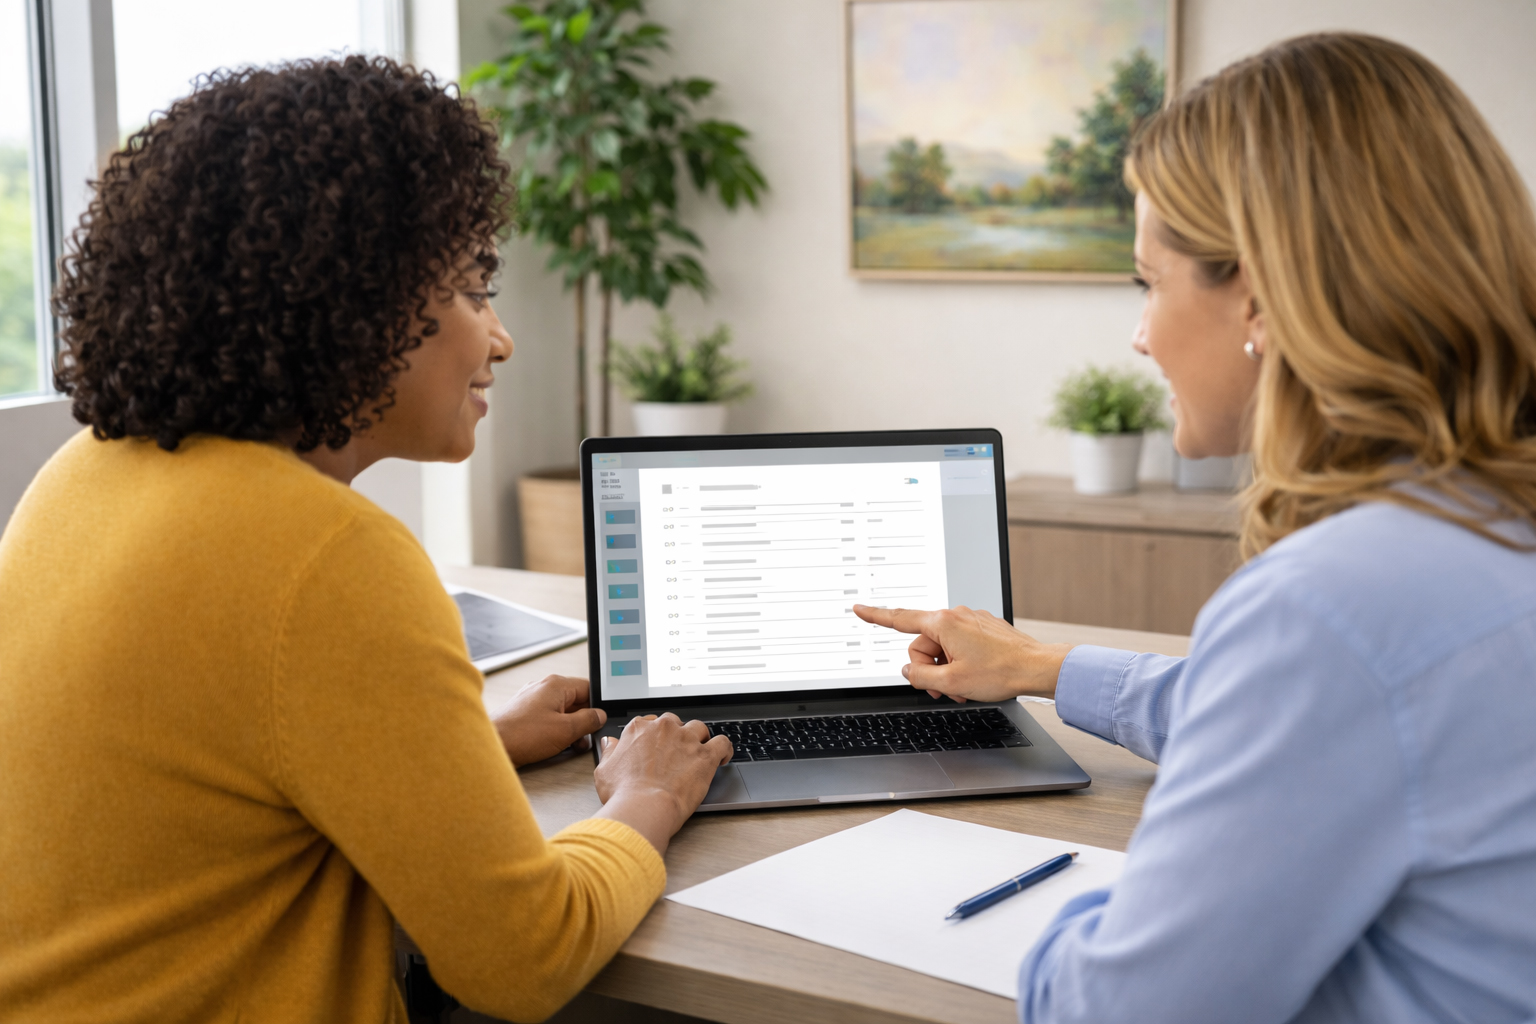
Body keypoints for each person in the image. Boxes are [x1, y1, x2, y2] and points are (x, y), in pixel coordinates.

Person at [0, 57, 730, 1023]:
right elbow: (526, 959)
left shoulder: (88, 471)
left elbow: (216, 783)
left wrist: (468, 745)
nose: (502, 339)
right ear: (357, 305)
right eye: (475, 291)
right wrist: (647, 796)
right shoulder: (328, 555)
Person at [857, 33, 1536, 1024]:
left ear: (1257, 293)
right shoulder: (1478, 532)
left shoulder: (1332, 603)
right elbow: (1330, 715)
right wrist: (1046, 665)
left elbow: (1108, 1008)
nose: (1139, 334)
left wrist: (1109, 895)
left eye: (1148, 281)